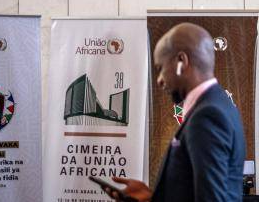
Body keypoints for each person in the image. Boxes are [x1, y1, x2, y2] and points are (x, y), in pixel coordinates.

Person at [103, 23, 246, 202]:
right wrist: (150, 198)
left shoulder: (207, 116)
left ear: (181, 61)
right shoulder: (219, 105)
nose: (160, 81)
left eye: (160, 68)